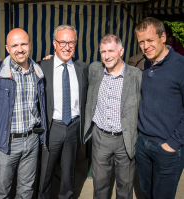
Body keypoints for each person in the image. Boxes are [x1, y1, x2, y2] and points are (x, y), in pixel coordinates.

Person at [0, 28, 47, 199]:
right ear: (7, 48)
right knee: (2, 191)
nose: (19, 49)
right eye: (14, 45)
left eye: (23, 44)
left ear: (30, 45)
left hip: (32, 139)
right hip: (7, 142)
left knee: (26, 189)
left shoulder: (38, 71)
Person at [83, 35, 142, 199]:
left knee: (125, 186)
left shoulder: (136, 75)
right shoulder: (95, 69)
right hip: (101, 137)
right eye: (103, 51)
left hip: (125, 139)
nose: (106, 56)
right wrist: (52, 58)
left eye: (111, 51)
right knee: (100, 186)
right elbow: (75, 68)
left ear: (121, 51)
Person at [135, 17, 184, 199]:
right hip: (143, 145)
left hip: (168, 149)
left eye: (150, 40)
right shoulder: (147, 63)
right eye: (141, 42)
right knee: (147, 194)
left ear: (163, 37)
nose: (145, 46)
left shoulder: (180, 66)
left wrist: (172, 144)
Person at [38, 24, 89, 199]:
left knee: (69, 173)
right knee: (45, 171)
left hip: (74, 127)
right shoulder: (42, 67)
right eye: (62, 42)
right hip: (52, 127)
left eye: (71, 42)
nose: (67, 47)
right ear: (54, 43)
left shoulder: (83, 68)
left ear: (76, 43)